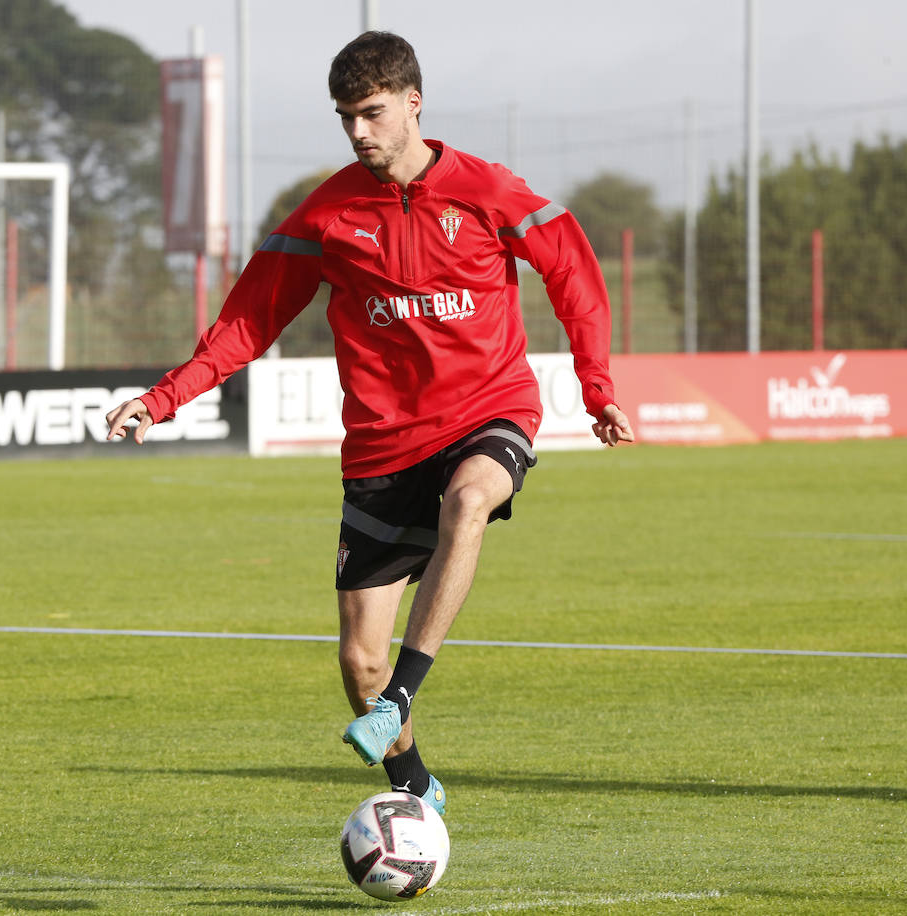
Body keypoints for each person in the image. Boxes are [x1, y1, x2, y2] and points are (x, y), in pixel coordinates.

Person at [106, 31, 634, 817]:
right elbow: (249, 321)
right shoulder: (327, 213)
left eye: (373, 113)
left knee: (468, 500)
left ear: (414, 104)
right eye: (346, 117)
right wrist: (163, 397)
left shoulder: (486, 191)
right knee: (358, 664)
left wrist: (596, 389)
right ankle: (414, 789)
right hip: (383, 448)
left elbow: (572, 269)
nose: (359, 132)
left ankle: (404, 694)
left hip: (490, 409)